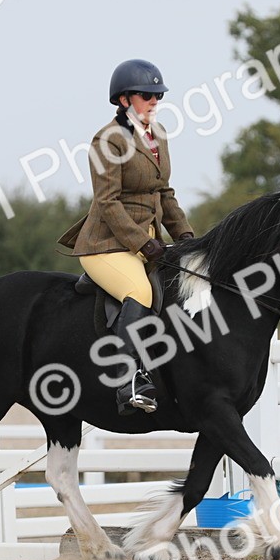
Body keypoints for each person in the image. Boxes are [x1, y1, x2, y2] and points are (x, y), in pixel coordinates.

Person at [58, 59, 196, 415]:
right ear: (124, 100)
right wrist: (144, 242)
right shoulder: (108, 140)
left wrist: (186, 236)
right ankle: (126, 380)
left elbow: (165, 194)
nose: (154, 101)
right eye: (146, 96)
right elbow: (107, 203)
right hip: (107, 244)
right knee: (140, 291)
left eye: (157, 96)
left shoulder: (159, 136)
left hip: (144, 243)